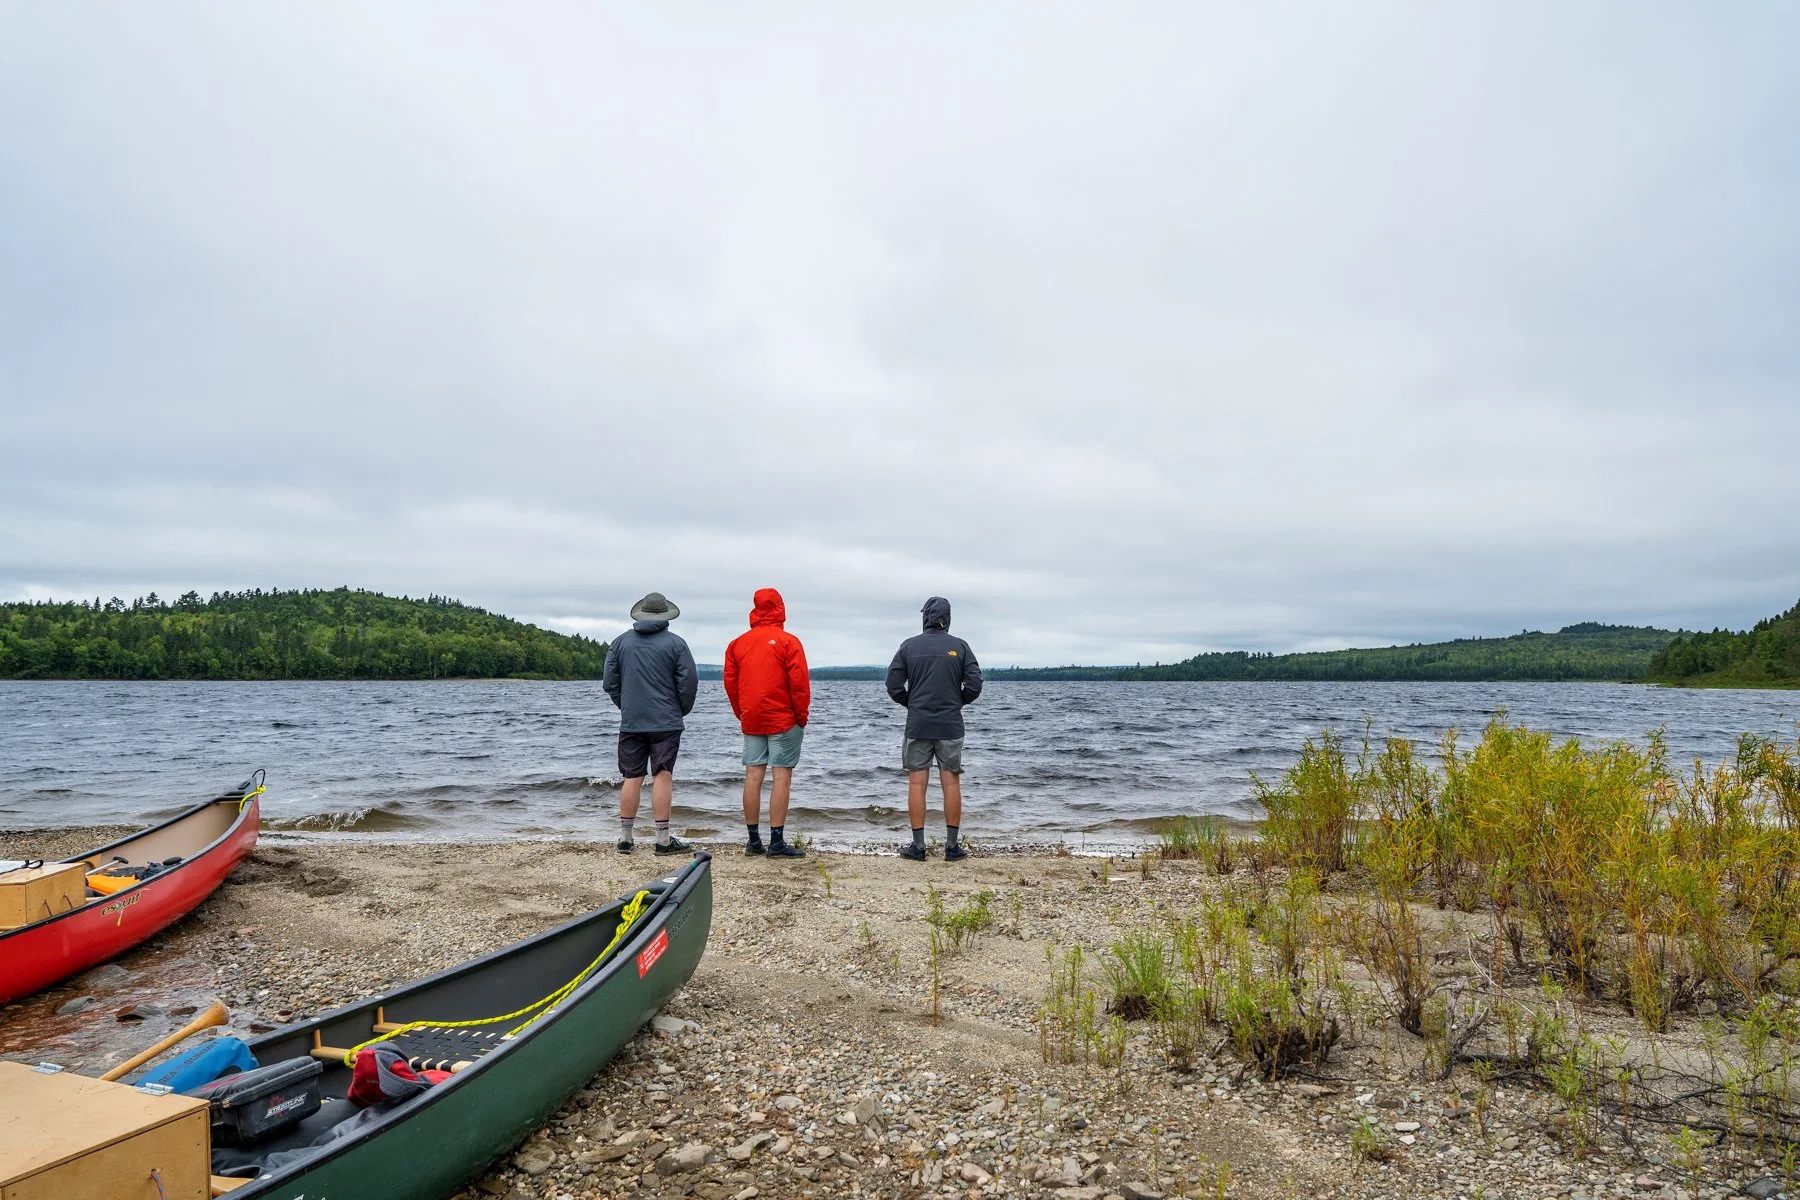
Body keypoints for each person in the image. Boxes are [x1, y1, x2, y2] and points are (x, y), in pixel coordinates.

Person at [885, 596, 982, 861]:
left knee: (917, 782)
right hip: (950, 724)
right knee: (951, 783)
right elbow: (974, 686)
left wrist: (912, 704)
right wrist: (956, 702)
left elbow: (893, 685)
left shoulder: (909, 646)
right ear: (947, 619)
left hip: (918, 724)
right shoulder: (960, 647)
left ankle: (918, 847)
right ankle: (952, 848)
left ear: (925, 617)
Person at [602, 591, 697, 855]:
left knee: (632, 777)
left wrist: (627, 705)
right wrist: (680, 710)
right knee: (662, 775)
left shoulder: (620, 643)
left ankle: (625, 838)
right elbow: (688, 684)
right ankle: (663, 840)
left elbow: (609, 684)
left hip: (632, 721)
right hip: (666, 721)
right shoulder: (677, 644)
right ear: (666, 616)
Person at [722, 587, 811, 858]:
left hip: (752, 717)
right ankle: (777, 842)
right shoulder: (788, 641)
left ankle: (753, 840)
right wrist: (801, 716)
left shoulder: (737, 644)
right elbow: (799, 685)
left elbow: (731, 684)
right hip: (783, 718)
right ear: (780, 608)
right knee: (781, 777)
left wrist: (742, 712)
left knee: (753, 777)